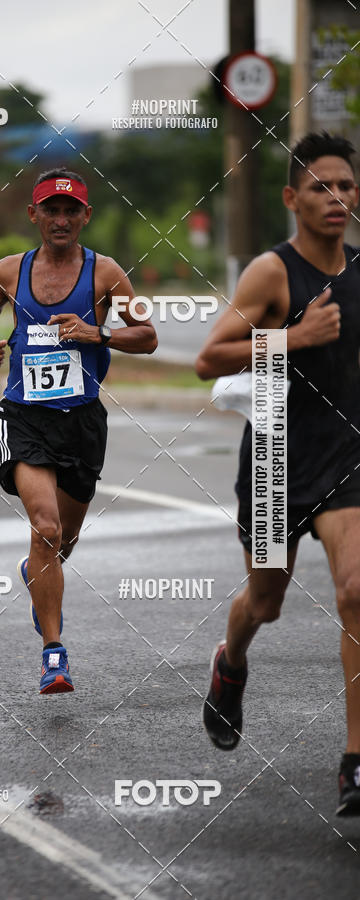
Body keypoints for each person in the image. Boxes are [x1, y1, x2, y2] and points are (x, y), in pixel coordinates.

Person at [195, 132, 360, 815]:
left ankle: (355, 761)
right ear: (292, 197)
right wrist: (293, 336)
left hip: (347, 457)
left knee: (356, 592)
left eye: (347, 187)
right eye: (322, 187)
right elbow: (210, 359)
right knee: (266, 602)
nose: (337, 198)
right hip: (274, 463)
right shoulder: (272, 272)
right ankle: (230, 662)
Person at [0, 167, 157, 694]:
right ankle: (54, 654)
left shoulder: (106, 274)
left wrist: (97, 332)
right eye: (50, 210)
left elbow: (148, 336)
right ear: (34, 216)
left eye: (70, 210)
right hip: (24, 415)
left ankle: (36, 573)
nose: (60, 219)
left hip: (82, 422)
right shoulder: (10, 270)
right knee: (46, 528)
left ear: (85, 217)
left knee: (64, 541)